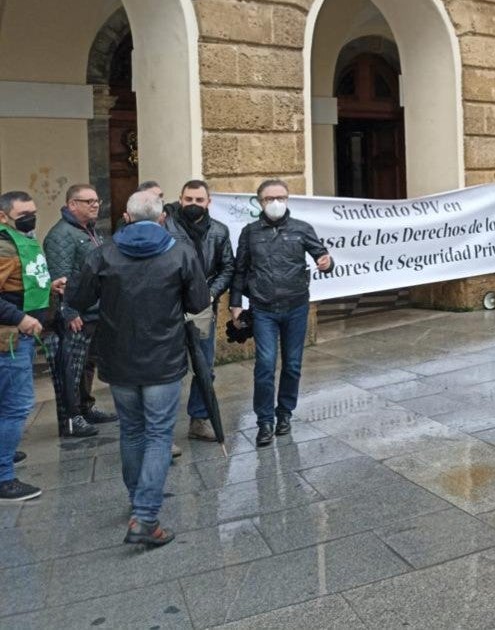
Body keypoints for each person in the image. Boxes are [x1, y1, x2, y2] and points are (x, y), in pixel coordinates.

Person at [68, 191, 208, 543]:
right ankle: (146, 516)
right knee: (159, 434)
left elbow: (80, 299)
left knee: (132, 432)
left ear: (127, 218)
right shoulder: (180, 251)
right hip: (164, 357)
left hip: (118, 358)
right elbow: (198, 301)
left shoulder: (103, 252)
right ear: (162, 219)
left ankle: (138, 501)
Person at [230, 180, 333, 447]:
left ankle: (284, 413)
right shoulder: (250, 232)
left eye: (281, 197)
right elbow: (239, 270)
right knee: (265, 364)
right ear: (260, 202)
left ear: (287, 199)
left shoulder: (302, 228)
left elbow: (322, 257)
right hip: (263, 309)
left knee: (293, 364)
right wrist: (235, 303)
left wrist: (326, 262)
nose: (276, 202)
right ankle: (264, 421)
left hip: (296, 307)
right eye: (269, 198)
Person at [163, 180, 234, 440]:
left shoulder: (219, 230)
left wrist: (210, 294)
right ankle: (163, 430)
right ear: (180, 199)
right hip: (168, 309)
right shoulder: (165, 226)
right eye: (189, 199)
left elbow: (228, 267)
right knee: (167, 368)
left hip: (202, 310)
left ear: (208, 202)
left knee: (204, 366)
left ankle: (199, 419)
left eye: (199, 200)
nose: (194, 204)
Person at [0, 191, 57, 502]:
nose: (31, 219)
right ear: (3, 217)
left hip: (15, 336)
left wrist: (50, 284)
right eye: (24, 214)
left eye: (33, 212)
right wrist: (21, 318)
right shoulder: (4, 247)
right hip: (9, 339)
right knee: (16, 405)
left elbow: (19, 282)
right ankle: (3, 477)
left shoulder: (17, 242)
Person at [44, 184, 114, 438]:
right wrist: (70, 312)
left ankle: (86, 407)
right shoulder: (61, 235)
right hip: (77, 315)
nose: (95, 205)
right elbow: (60, 279)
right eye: (88, 201)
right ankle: (72, 418)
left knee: (87, 365)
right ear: (72, 204)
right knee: (71, 368)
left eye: (97, 200)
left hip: (94, 312)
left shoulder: (90, 230)